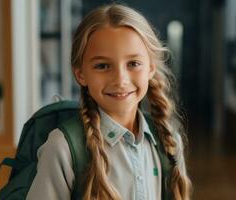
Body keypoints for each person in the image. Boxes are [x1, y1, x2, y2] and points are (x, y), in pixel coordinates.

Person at [26, 3, 191, 200]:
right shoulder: (62, 147)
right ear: (80, 74)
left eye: (133, 64)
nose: (120, 80)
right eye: (102, 65)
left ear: (151, 69)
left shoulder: (169, 140)